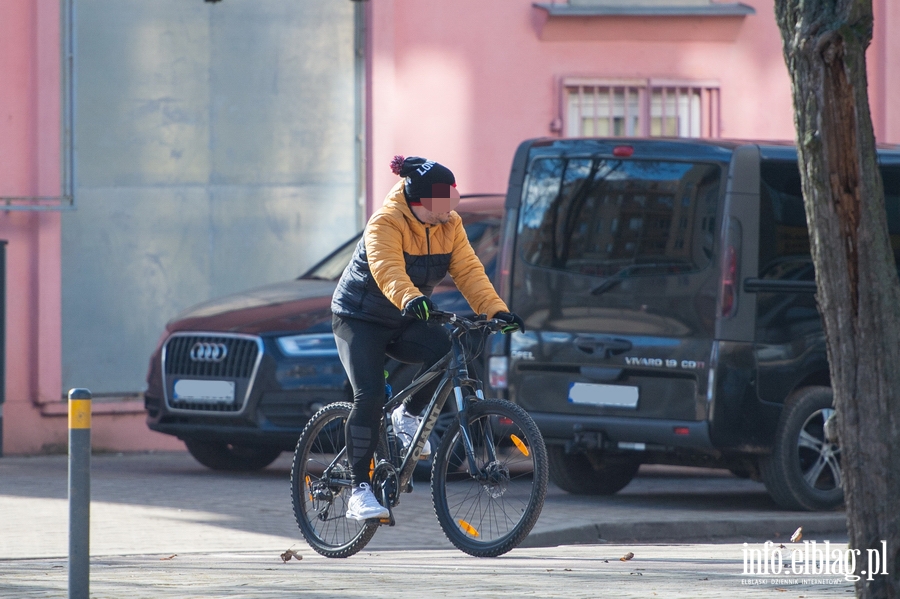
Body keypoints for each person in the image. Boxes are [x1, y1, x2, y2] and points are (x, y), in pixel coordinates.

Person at [331, 155, 525, 521]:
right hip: (359, 317)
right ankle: (358, 491)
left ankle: (410, 413)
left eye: (452, 197)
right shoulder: (385, 222)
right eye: (442, 201)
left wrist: (496, 311)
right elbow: (387, 268)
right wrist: (412, 298)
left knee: (445, 348)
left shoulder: (450, 224)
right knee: (369, 394)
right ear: (419, 201)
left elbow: (469, 271)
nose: (449, 208)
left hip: (405, 316)